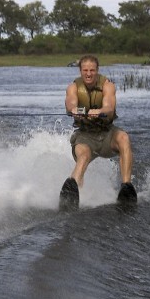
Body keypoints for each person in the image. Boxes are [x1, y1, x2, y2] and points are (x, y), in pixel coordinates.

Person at [60, 55, 137, 210]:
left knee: (123, 138)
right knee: (84, 156)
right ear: (80, 71)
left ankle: (126, 187)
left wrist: (100, 110)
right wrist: (75, 110)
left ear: (97, 70)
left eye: (92, 70)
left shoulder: (108, 85)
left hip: (107, 134)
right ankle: (72, 187)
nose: (89, 74)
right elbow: (71, 104)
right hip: (85, 136)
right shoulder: (73, 87)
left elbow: (109, 106)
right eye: (85, 70)